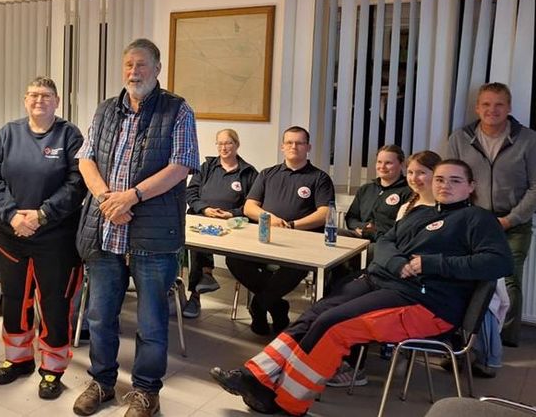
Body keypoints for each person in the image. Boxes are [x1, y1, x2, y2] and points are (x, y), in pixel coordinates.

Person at [211, 159, 514, 416]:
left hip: (426, 303)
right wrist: (396, 264)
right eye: (440, 179)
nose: (445, 185)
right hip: (385, 281)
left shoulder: (477, 219)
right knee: (316, 312)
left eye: (455, 180)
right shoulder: (422, 212)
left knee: (333, 325)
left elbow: (498, 263)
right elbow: (385, 241)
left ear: (471, 187)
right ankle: (257, 375)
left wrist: (430, 264)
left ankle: (288, 403)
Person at [72, 38, 199, 417]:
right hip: (106, 230)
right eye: (128, 64)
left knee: (151, 322)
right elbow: (86, 159)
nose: (134, 71)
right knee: (100, 315)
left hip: (153, 235)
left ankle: (146, 392)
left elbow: (181, 166)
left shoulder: (178, 110)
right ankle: (102, 382)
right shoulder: (106, 110)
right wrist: (107, 200)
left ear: (157, 69)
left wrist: (132, 197)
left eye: (142, 64)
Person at [0, 77, 86, 400]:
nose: (39, 100)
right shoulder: (8, 134)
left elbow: (77, 182)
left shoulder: (69, 136)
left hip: (55, 236)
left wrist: (42, 215)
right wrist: (12, 214)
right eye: (33, 95)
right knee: (15, 299)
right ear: (24, 100)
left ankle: (53, 369)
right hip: (11, 234)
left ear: (57, 101)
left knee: (54, 303)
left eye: (46, 96)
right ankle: (18, 360)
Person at [326, 149, 441, 388]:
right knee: (337, 289)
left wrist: (379, 242)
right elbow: (359, 221)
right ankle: (330, 355)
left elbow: (395, 241)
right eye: (412, 172)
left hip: (406, 282)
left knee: (353, 304)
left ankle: (353, 365)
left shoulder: (440, 211)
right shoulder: (408, 203)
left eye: (421, 173)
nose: (414, 178)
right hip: (387, 264)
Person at [447, 82, 536, 347]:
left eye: (499, 104)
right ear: (477, 107)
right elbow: (451, 180)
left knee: (509, 281)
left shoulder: (529, 140)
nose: (492, 110)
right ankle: (468, 336)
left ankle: (504, 341)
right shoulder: (459, 138)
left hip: (513, 223)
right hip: (471, 221)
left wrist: (510, 219)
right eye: (486, 104)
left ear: (509, 107)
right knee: (467, 278)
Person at [231, 126, 334, 335]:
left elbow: (325, 213)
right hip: (266, 238)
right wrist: (270, 219)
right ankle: (277, 305)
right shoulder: (268, 174)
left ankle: (259, 306)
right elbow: (249, 206)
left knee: (294, 267)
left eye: (299, 143)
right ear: (282, 147)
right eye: (289, 142)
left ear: (308, 147)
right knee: (234, 260)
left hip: (300, 243)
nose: (293, 147)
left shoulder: (320, 178)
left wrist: (293, 225)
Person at [182, 128, 258, 319]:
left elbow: (253, 203)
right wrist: (205, 209)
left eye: (228, 143)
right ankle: (197, 292)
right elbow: (191, 193)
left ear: (237, 144)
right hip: (203, 219)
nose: (224, 148)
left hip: (234, 225)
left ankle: (206, 278)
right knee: (197, 243)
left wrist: (231, 214)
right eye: (220, 143)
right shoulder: (207, 166)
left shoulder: (248, 172)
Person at [344, 145, 413, 242]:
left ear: (401, 164)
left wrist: (375, 231)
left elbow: (404, 227)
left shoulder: (408, 192)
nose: (382, 167)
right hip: (361, 235)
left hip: (385, 240)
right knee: (334, 236)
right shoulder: (365, 189)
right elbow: (351, 218)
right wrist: (362, 226)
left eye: (388, 163)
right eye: (379, 162)